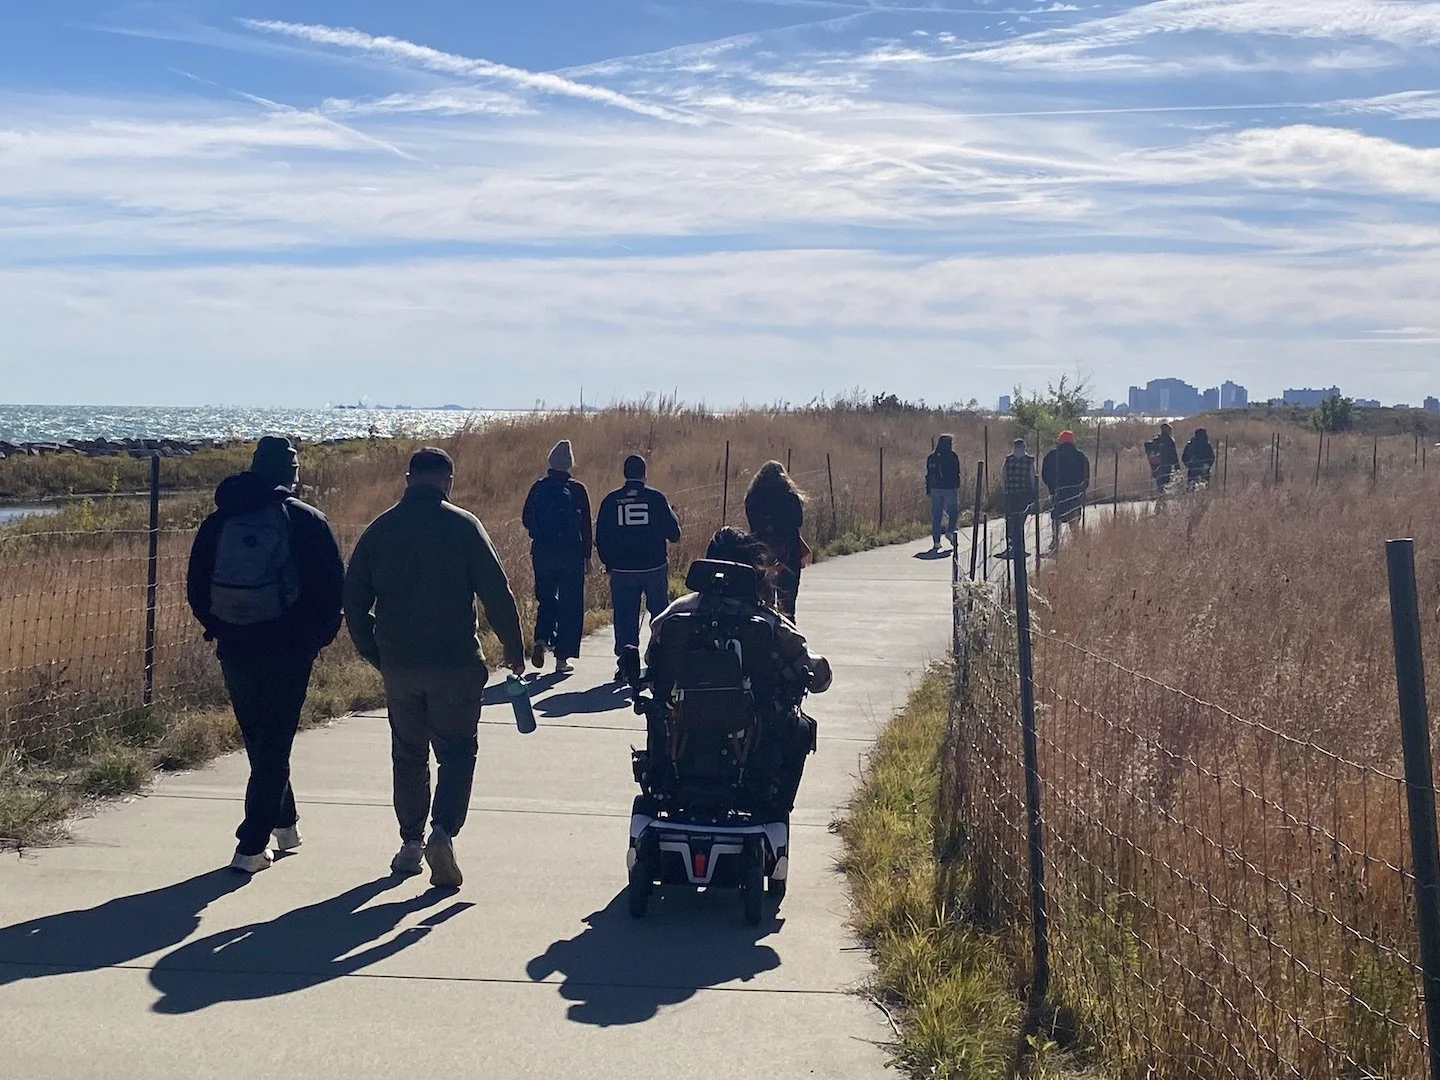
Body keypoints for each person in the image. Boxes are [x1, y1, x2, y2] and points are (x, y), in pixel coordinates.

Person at [344, 447, 527, 888]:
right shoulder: (464, 526)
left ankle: (410, 843)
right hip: (456, 665)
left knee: (408, 754)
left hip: (402, 667)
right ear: (449, 480)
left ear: (408, 479)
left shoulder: (380, 529)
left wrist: (376, 652)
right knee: (458, 752)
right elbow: (496, 591)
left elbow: (352, 600)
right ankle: (443, 832)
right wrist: (514, 647)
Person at [186, 436, 344, 875]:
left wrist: (218, 626)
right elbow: (332, 589)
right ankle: (251, 845)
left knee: (262, 738)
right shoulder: (305, 520)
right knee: (273, 742)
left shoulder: (220, 520)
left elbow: (196, 585)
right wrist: (315, 640)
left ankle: (286, 823)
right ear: (291, 475)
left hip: (235, 644)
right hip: (289, 648)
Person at [643, 527, 831, 816]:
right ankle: (775, 814)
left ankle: (660, 787)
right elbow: (817, 677)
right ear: (752, 569)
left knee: (658, 718)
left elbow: (653, 665)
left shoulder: (674, 616)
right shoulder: (767, 622)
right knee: (801, 730)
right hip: (751, 752)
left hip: (681, 745)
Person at [595, 454, 681, 681]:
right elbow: (674, 534)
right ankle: (660, 658)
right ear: (644, 473)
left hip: (622, 570)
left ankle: (626, 662)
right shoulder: (655, 498)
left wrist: (609, 563)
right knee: (660, 614)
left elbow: (601, 537)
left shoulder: (611, 501)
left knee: (624, 617)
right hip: (654, 568)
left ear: (625, 473)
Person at [522, 440, 593, 674]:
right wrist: (587, 556)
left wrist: (539, 535)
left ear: (550, 461)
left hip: (542, 552)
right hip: (571, 554)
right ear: (570, 464)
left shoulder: (538, 488)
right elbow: (585, 526)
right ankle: (562, 658)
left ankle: (541, 638)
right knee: (571, 604)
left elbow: (526, 518)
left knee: (546, 598)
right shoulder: (577, 490)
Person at [744, 461, 807, 618]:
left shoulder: (752, 497)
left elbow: (752, 524)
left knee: (763, 601)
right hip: (789, 553)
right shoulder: (790, 497)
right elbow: (798, 521)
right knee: (788, 604)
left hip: (761, 553)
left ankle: (766, 633)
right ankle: (788, 636)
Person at [1041, 430, 1091, 547]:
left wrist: (1052, 489)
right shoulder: (1081, 456)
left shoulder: (1051, 456)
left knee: (1056, 516)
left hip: (1058, 492)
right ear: (1073, 441)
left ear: (1059, 441)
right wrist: (1081, 489)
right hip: (1075, 492)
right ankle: (1076, 541)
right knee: (1074, 515)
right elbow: (1086, 476)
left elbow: (1045, 474)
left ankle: (1056, 541)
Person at [998, 438, 1038, 560]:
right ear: (1024, 446)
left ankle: (1011, 546)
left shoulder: (1008, 460)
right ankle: (1019, 547)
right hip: (1024, 494)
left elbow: (1003, 477)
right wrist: (1033, 493)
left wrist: (1005, 490)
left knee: (1010, 521)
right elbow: (1032, 477)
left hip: (1011, 494)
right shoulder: (1029, 460)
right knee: (1020, 521)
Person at [925, 434, 963, 553]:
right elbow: (957, 471)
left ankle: (936, 542)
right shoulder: (952, 456)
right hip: (949, 488)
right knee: (953, 511)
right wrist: (957, 484)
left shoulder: (932, 457)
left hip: (935, 488)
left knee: (937, 515)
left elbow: (928, 475)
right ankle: (950, 531)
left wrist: (928, 489)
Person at [1147, 423, 1181, 493]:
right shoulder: (1169, 441)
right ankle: (1163, 497)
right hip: (1167, 465)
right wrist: (1177, 466)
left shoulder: (1156, 440)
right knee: (1166, 482)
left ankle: (1160, 496)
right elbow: (1173, 454)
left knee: (1160, 483)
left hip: (1157, 465)